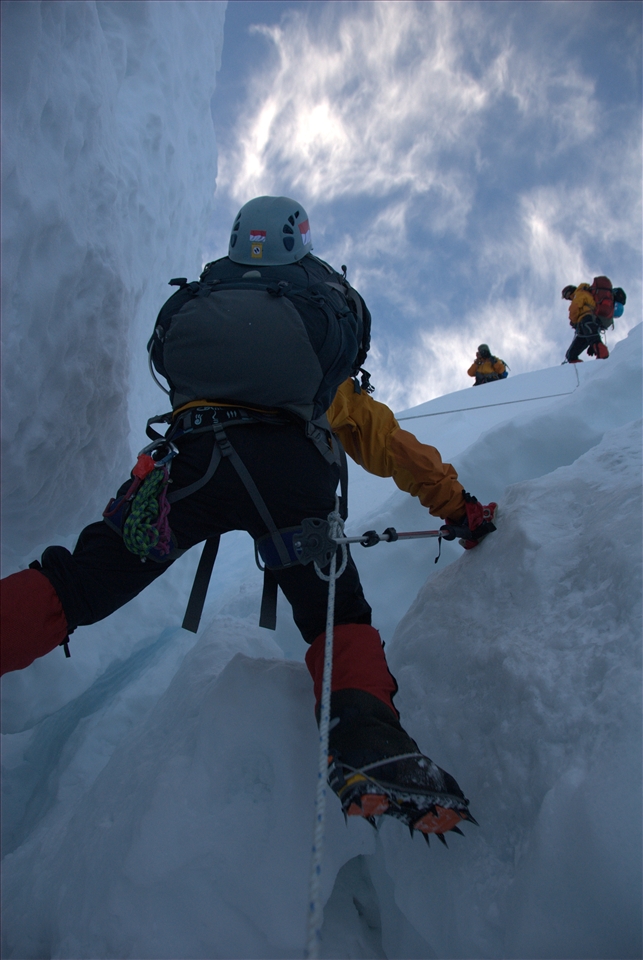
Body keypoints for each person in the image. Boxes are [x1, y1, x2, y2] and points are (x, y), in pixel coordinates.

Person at [1, 196, 497, 840]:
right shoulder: (319, 355)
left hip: (191, 463)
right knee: (335, 614)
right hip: (290, 479)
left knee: (81, 580)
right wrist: (458, 509)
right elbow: (389, 444)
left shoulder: (206, 315)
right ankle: (368, 742)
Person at [562, 277, 626, 363]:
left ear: (570, 292)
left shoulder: (580, 292)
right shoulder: (586, 293)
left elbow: (574, 308)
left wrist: (573, 321)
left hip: (586, 319)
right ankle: (583, 371)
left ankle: (603, 362)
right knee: (571, 355)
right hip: (588, 322)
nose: (568, 298)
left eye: (567, 296)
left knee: (593, 341)